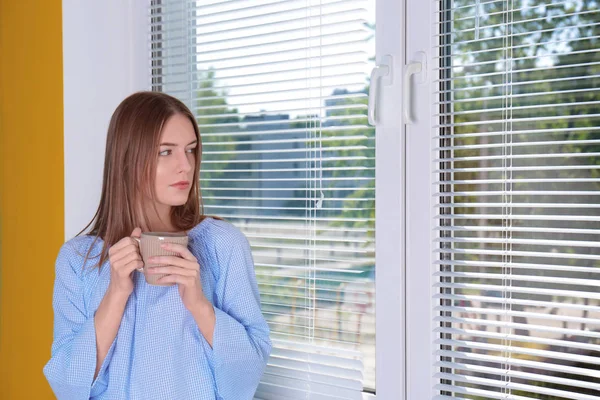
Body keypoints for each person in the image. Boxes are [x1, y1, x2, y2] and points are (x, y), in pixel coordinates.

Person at [43, 91, 272, 399]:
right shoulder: (78, 260)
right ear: (128, 158)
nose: (186, 166)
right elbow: (68, 386)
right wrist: (116, 293)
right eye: (166, 152)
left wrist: (199, 304)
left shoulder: (222, 245)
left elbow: (247, 374)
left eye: (190, 150)